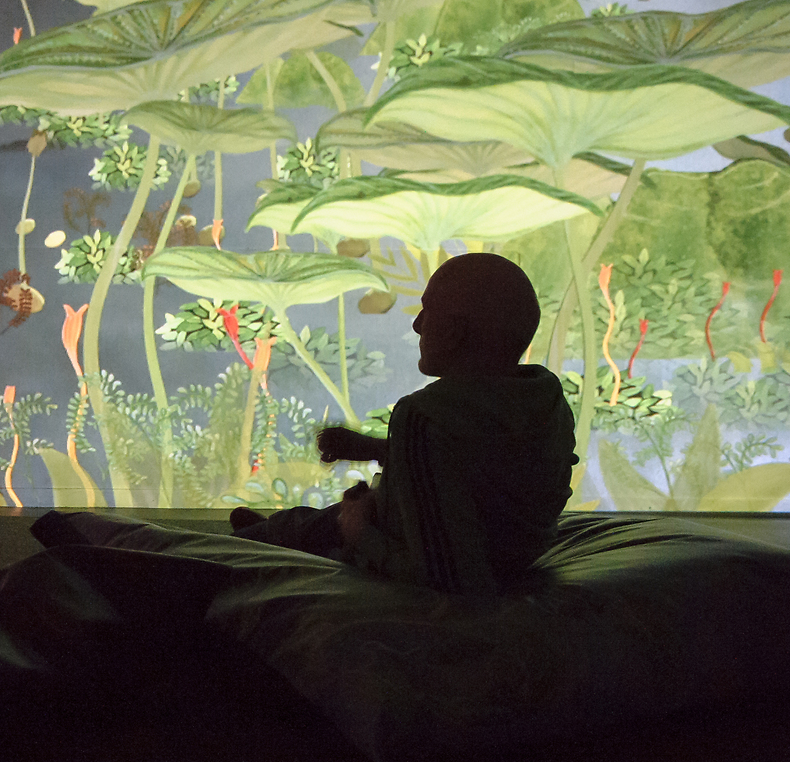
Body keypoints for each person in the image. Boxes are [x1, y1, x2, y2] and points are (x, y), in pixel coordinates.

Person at [229, 252, 576, 597]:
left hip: (396, 543)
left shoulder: (425, 415)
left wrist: (358, 531)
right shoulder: (546, 398)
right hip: (515, 560)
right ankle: (272, 534)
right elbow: (478, 463)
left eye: (428, 311)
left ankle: (256, 542)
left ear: (454, 332)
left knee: (313, 527)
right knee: (307, 523)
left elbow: (448, 576)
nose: (417, 324)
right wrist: (373, 448)